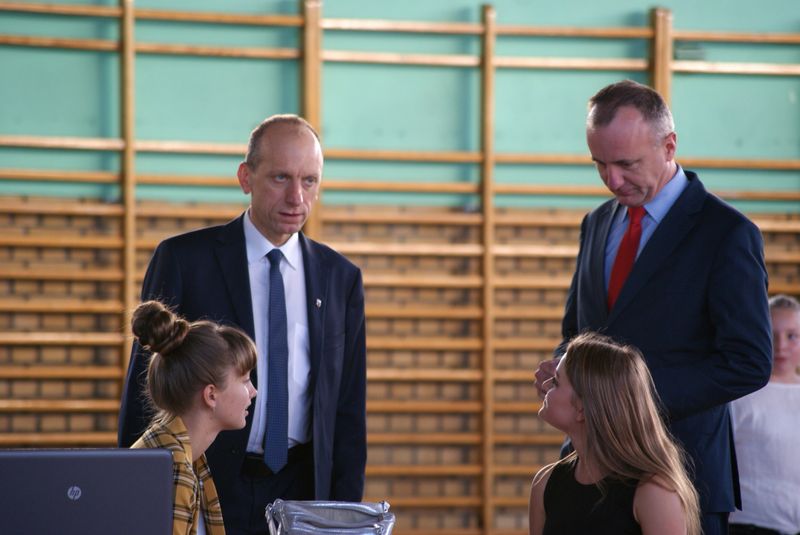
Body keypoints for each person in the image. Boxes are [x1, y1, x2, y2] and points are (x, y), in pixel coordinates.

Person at [533, 79, 772, 535]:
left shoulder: (726, 233)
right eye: (599, 164)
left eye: (626, 164)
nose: (612, 180)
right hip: (587, 472)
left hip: (682, 471)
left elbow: (748, 363)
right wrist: (563, 371)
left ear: (669, 146)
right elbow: (577, 334)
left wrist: (622, 397)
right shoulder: (597, 222)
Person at [119, 114, 368, 535]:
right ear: (245, 177)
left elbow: (347, 411)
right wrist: (134, 491)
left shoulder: (340, 278)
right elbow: (147, 392)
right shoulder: (184, 261)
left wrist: (345, 516)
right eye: (280, 178)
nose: (296, 197)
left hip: (304, 489)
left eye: (309, 181)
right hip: (204, 481)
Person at [529, 332, 701, 535]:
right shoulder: (545, 483)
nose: (545, 386)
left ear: (582, 407)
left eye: (556, 382)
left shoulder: (653, 490)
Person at [130, 300, 258, 535]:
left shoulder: (183, 453)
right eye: (245, 380)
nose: (253, 391)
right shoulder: (175, 468)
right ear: (211, 395)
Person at [729, 294, 800, 535]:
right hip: (749, 523)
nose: (781, 346)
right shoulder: (740, 394)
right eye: (772, 334)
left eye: (792, 336)